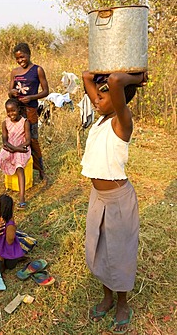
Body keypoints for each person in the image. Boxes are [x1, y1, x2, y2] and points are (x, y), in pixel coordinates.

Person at [81, 71, 147, 334]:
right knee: (99, 249)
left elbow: (118, 82)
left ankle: (122, 303)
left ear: (119, 99)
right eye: (96, 93)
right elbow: (87, 76)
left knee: (119, 253)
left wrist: (137, 77)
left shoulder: (122, 122)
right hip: (99, 197)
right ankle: (107, 297)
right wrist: (99, 78)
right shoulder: (101, 119)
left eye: (102, 93)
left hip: (118, 200)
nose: (96, 98)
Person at [8, 42, 49, 180]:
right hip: (16, 112)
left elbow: (45, 91)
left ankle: (40, 169)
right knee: (16, 138)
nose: (20, 61)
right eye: (17, 58)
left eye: (22, 57)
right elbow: (10, 92)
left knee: (32, 139)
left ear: (29, 54)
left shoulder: (37, 70)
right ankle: (19, 167)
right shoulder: (15, 72)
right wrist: (12, 92)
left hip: (31, 110)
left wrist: (31, 97)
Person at [0, 98, 31, 209]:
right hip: (10, 148)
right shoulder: (5, 123)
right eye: (8, 112)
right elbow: (5, 141)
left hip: (22, 148)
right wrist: (14, 148)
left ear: (19, 109)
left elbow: (28, 141)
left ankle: (21, 199)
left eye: (13, 111)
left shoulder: (25, 122)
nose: (11, 114)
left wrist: (16, 149)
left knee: (19, 168)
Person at [0, 194, 25, 272]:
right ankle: (5, 261)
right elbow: (10, 239)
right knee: (11, 264)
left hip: (1, 245)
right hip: (9, 249)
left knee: (3, 259)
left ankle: (0, 259)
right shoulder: (10, 225)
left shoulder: (1, 219)